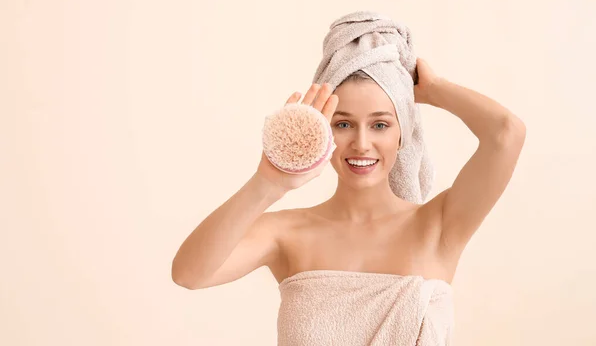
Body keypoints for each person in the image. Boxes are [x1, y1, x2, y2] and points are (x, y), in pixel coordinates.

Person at [171, 57, 526, 291]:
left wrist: (432, 90)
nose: (361, 143)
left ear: (402, 133)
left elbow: (506, 133)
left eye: (380, 125)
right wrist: (268, 183)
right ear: (322, 130)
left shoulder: (439, 226)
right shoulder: (285, 232)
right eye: (342, 124)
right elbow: (189, 274)